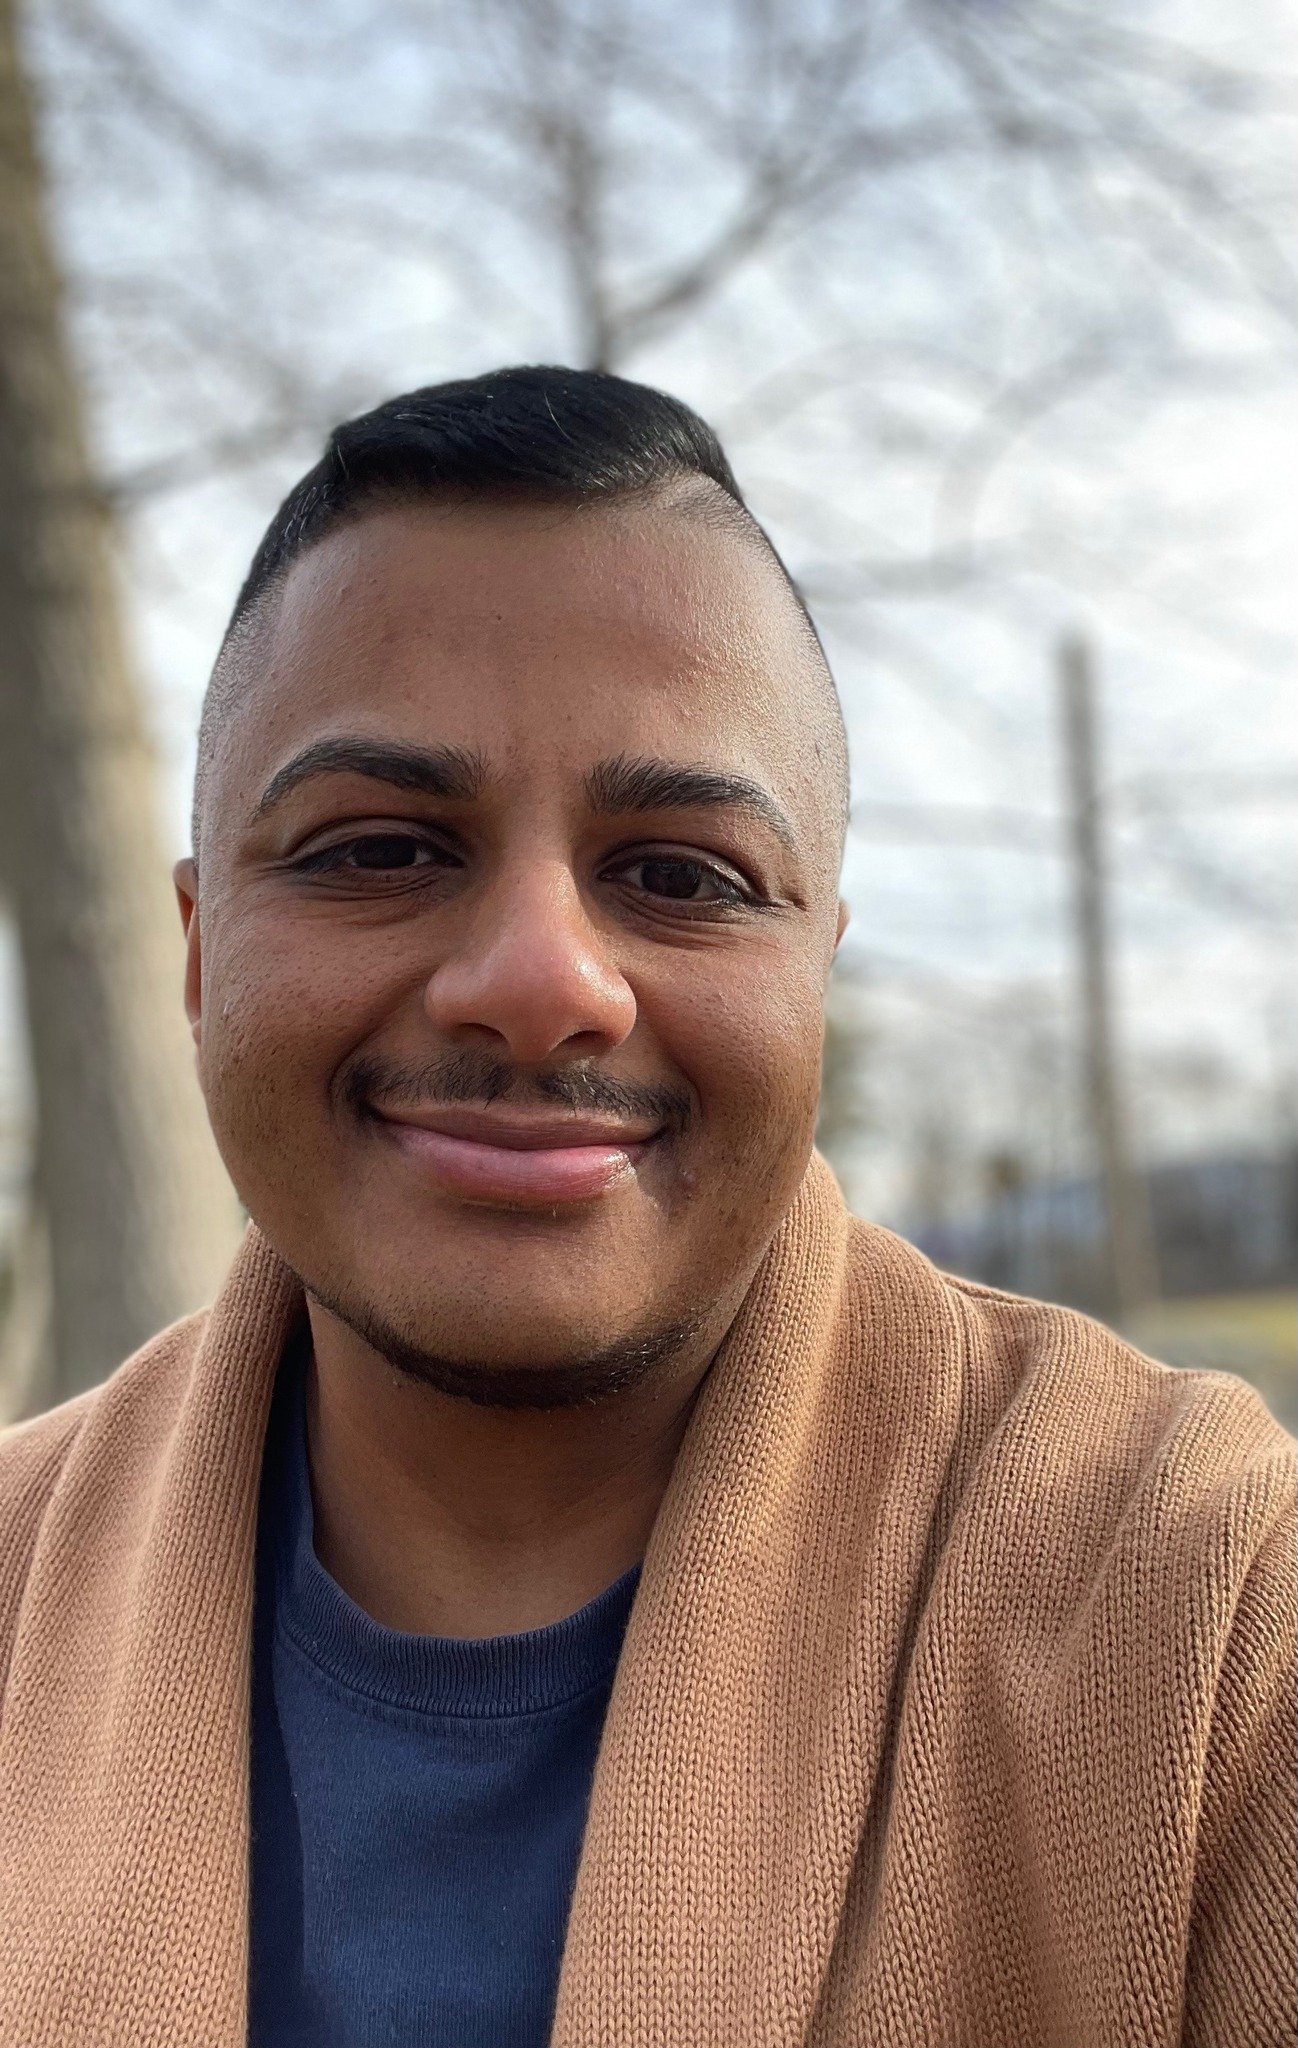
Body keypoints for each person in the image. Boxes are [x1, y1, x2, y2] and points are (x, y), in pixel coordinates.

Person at [1, 367, 1293, 2048]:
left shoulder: (1209, 1625)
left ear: (814, 968)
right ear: (193, 951)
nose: (540, 980)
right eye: (377, 849)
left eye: (679, 877)